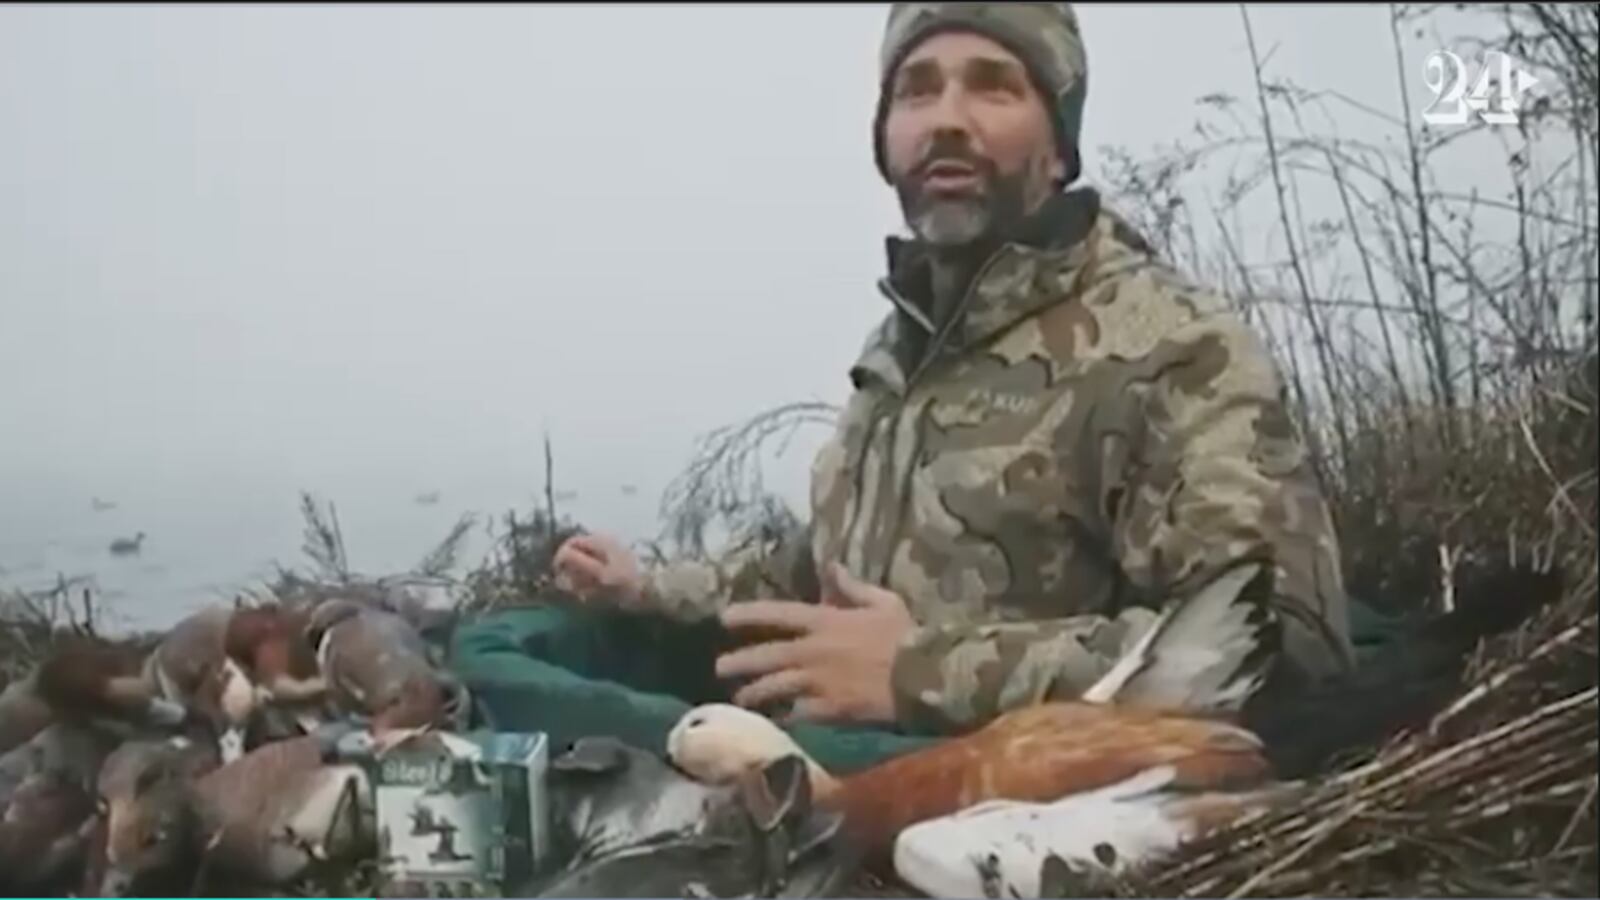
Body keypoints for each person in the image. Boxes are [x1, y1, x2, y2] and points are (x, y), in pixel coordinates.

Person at [533, 1, 1356, 741]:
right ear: (885, 140)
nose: (947, 120)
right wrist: (648, 587)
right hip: (826, 819)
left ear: (1059, 148)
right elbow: (814, 567)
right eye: (917, 90)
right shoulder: (897, 355)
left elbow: (1281, 650)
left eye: (994, 86)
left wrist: (921, 672)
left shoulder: (1175, 347)